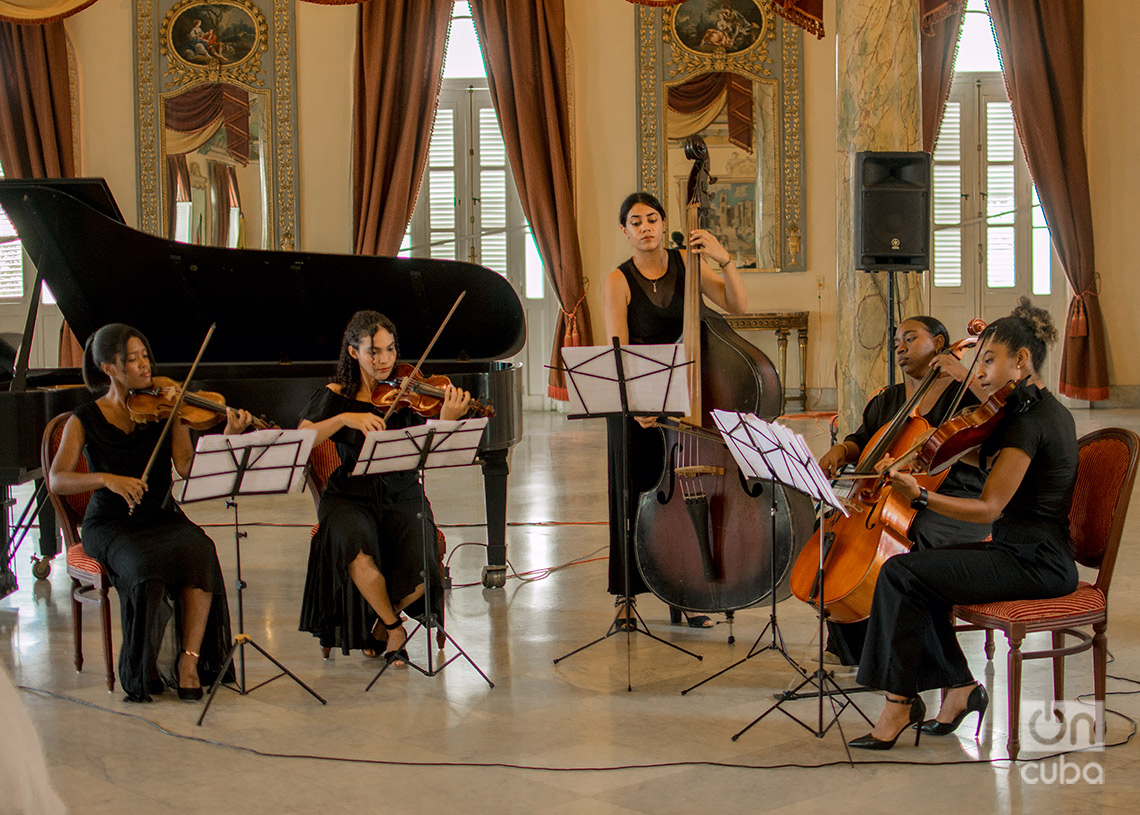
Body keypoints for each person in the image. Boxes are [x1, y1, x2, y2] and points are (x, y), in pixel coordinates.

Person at [848, 298, 1077, 750]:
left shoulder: (1031, 424)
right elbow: (984, 456)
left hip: (1037, 563)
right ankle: (959, 688)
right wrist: (933, 452)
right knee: (920, 570)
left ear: (1022, 360)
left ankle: (899, 701)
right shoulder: (1032, 414)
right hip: (1020, 552)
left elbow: (990, 507)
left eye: (989, 361)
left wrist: (924, 494)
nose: (981, 373)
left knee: (900, 572)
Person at [49, 323, 251, 702]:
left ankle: (188, 662)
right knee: (143, 564)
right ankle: (140, 670)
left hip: (160, 515)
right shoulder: (85, 417)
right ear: (109, 368)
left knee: (201, 549)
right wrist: (107, 479)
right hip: (111, 523)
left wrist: (229, 433)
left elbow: (187, 465)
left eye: (146, 357)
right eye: (133, 359)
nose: (145, 366)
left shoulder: (166, 408)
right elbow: (58, 479)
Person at [602, 191, 747, 630]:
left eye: (652, 219)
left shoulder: (689, 265)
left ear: (664, 224)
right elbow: (620, 350)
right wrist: (637, 406)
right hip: (639, 403)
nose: (645, 227)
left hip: (686, 401)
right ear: (625, 231)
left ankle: (681, 591)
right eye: (635, 221)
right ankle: (626, 597)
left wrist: (725, 261)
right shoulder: (617, 280)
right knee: (630, 497)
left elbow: (739, 306)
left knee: (683, 498)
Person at [817, 316, 992, 666]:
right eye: (897, 341)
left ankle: (907, 652)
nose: (900, 347)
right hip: (892, 498)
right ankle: (852, 646)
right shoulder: (890, 398)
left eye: (910, 339)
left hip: (954, 502)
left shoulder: (964, 396)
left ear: (940, 345)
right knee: (830, 532)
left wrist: (965, 378)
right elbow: (861, 440)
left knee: (907, 542)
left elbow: (997, 434)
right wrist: (842, 451)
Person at [297, 310, 471, 662]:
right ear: (353, 352)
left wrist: (447, 420)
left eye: (390, 350)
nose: (384, 360)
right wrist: (346, 417)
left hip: (401, 491)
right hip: (350, 495)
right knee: (354, 548)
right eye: (373, 351)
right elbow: (301, 438)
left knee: (426, 565)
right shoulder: (336, 394)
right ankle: (395, 630)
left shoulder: (408, 392)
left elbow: (434, 450)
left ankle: (381, 620)